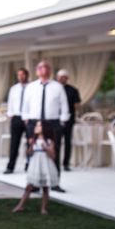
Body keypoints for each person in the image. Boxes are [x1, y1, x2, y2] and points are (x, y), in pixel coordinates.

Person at [22, 60, 69, 192]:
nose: (43, 70)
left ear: (50, 71)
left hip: (52, 123)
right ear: (37, 71)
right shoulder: (31, 87)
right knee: (33, 151)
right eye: (41, 67)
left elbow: (64, 104)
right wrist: (26, 118)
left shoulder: (58, 87)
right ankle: (34, 183)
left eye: (46, 67)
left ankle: (54, 182)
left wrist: (62, 121)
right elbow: (25, 104)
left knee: (54, 151)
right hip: (33, 122)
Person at [12, 121, 58, 215]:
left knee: (45, 187)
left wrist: (47, 149)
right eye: (36, 125)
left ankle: (44, 208)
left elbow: (53, 156)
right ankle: (20, 205)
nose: (36, 127)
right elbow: (29, 153)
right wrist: (31, 146)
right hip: (35, 166)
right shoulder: (34, 140)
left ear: (44, 128)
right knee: (29, 186)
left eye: (39, 125)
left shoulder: (49, 141)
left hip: (45, 166)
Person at [4, 68, 29, 174]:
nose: (20, 77)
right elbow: (10, 103)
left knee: (29, 143)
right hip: (16, 118)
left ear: (26, 75)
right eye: (19, 75)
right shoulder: (14, 88)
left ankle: (29, 165)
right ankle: (10, 166)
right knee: (14, 143)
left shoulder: (32, 88)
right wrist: (11, 115)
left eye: (22, 74)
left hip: (29, 118)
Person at [57, 69, 81, 172]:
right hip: (56, 120)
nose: (62, 79)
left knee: (67, 142)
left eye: (64, 77)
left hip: (68, 120)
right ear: (57, 78)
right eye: (60, 77)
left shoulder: (73, 90)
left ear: (67, 78)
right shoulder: (54, 89)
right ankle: (55, 162)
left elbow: (77, 104)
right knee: (56, 142)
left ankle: (66, 163)